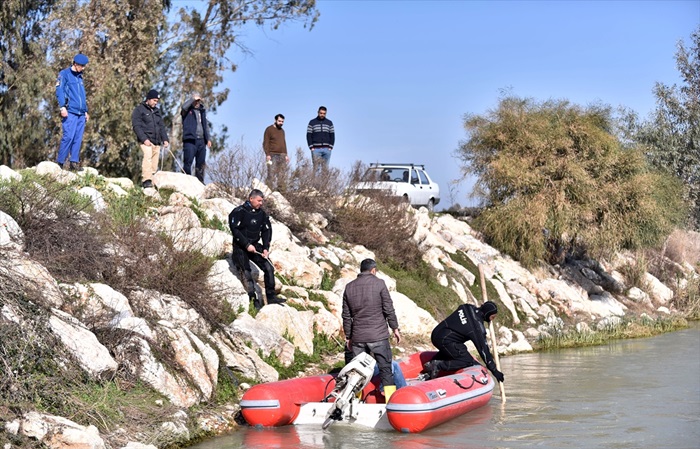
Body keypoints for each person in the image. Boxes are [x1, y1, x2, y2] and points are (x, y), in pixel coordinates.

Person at [342, 258, 401, 401]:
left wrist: (349, 336)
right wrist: (395, 328)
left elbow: (346, 315)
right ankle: (390, 403)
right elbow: (388, 308)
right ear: (373, 270)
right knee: (386, 370)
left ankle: (355, 401)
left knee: (357, 372)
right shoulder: (379, 284)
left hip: (358, 338)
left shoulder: (349, 287)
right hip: (378, 336)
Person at [228, 189, 285, 310]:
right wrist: (246, 244)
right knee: (246, 271)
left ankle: (271, 297)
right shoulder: (239, 212)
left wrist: (265, 248)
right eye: (259, 200)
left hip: (255, 245)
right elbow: (235, 230)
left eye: (262, 201)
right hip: (241, 246)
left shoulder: (262, 214)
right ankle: (253, 299)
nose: (261, 203)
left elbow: (266, 230)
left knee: (269, 267)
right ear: (251, 199)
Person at [424, 301, 505, 383]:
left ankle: (431, 363)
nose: (492, 320)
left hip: (436, 333)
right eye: (492, 317)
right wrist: (494, 370)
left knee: (460, 348)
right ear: (487, 314)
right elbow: (484, 350)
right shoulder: (477, 328)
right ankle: (438, 365)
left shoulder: (467, 307)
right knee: (467, 360)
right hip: (445, 340)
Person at [55, 53, 90, 171]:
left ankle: (74, 163)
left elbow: (82, 96)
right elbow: (60, 91)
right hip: (70, 111)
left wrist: (85, 111)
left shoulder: (80, 77)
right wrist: (62, 107)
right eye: (82, 66)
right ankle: (60, 162)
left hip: (81, 113)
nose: (83, 68)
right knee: (68, 136)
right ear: (75, 64)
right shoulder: (64, 74)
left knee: (77, 137)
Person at [131, 89, 169, 188]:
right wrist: (144, 139)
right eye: (154, 100)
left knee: (154, 163)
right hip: (146, 141)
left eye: (157, 101)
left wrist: (165, 139)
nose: (156, 103)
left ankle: (152, 181)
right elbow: (136, 126)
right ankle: (146, 180)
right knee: (147, 157)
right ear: (148, 99)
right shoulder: (139, 110)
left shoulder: (157, 112)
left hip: (156, 141)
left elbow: (161, 127)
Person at [180, 92, 211, 183]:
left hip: (201, 141)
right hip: (190, 140)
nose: (197, 103)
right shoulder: (186, 111)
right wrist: (193, 98)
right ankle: (186, 181)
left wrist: (208, 138)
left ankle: (200, 182)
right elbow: (183, 107)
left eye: (198, 101)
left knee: (201, 164)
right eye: (196, 101)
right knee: (188, 162)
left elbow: (205, 125)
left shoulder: (202, 111)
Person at [262, 114, 289, 191]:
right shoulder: (269, 129)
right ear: (275, 120)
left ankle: (282, 192)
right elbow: (265, 142)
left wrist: (286, 155)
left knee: (282, 175)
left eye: (282, 121)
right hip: (272, 155)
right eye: (279, 121)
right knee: (271, 174)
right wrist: (267, 154)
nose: (281, 123)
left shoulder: (282, 131)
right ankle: (269, 191)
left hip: (282, 155)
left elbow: (283, 143)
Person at [306, 106, 335, 172]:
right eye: (321, 113)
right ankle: (315, 182)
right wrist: (311, 147)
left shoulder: (329, 123)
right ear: (318, 112)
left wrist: (330, 147)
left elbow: (332, 135)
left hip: (327, 149)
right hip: (316, 149)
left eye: (324, 113)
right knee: (316, 169)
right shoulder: (312, 122)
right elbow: (308, 135)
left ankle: (325, 182)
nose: (322, 115)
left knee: (325, 169)